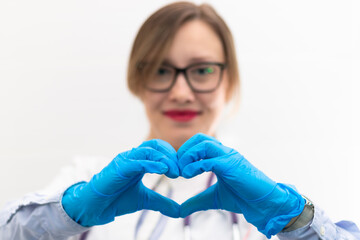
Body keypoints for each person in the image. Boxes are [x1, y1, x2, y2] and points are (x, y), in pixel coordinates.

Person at [0, 2, 359, 240]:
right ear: (136, 80)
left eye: (202, 70)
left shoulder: (277, 187)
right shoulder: (84, 178)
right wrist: (67, 214)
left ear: (229, 80)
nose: (181, 92)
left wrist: (298, 223)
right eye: (161, 70)